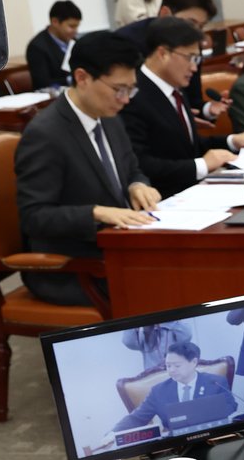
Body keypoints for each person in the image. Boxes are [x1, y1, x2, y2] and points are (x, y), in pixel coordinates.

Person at [14, 32, 160, 306]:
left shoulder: (109, 117)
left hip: (118, 248)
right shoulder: (46, 134)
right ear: (82, 77)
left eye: (131, 89)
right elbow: (34, 216)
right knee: (170, 283)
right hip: (75, 267)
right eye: (119, 89)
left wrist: (137, 185)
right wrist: (96, 213)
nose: (126, 99)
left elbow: (132, 169)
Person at [122, 17, 244, 195]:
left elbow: (186, 145)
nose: (194, 67)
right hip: (164, 198)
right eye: (190, 58)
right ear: (162, 54)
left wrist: (232, 141)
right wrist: (201, 165)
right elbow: (139, 164)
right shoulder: (132, 96)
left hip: (195, 192)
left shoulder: (174, 88)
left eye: (197, 59)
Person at [115, 0, 229, 127]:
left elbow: (192, 101)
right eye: (191, 23)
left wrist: (208, 110)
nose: (195, 32)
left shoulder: (192, 47)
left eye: (201, 26)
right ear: (165, 14)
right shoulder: (125, 43)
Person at [110, 341, 237, 436]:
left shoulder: (216, 382)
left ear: (193, 362)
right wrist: (112, 434)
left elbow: (231, 406)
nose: (171, 370)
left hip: (212, 436)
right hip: (177, 446)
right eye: (168, 366)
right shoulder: (158, 391)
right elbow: (136, 418)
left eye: (177, 366)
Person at [25, 0, 81, 90]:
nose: (76, 31)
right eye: (71, 26)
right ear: (55, 22)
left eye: (77, 26)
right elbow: (42, 83)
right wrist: (71, 79)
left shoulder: (75, 41)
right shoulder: (37, 47)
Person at [121, 321, 193, 371]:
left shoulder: (174, 329)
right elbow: (128, 342)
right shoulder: (144, 333)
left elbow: (187, 335)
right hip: (154, 379)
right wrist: (136, 322)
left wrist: (168, 321)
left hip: (175, 375)